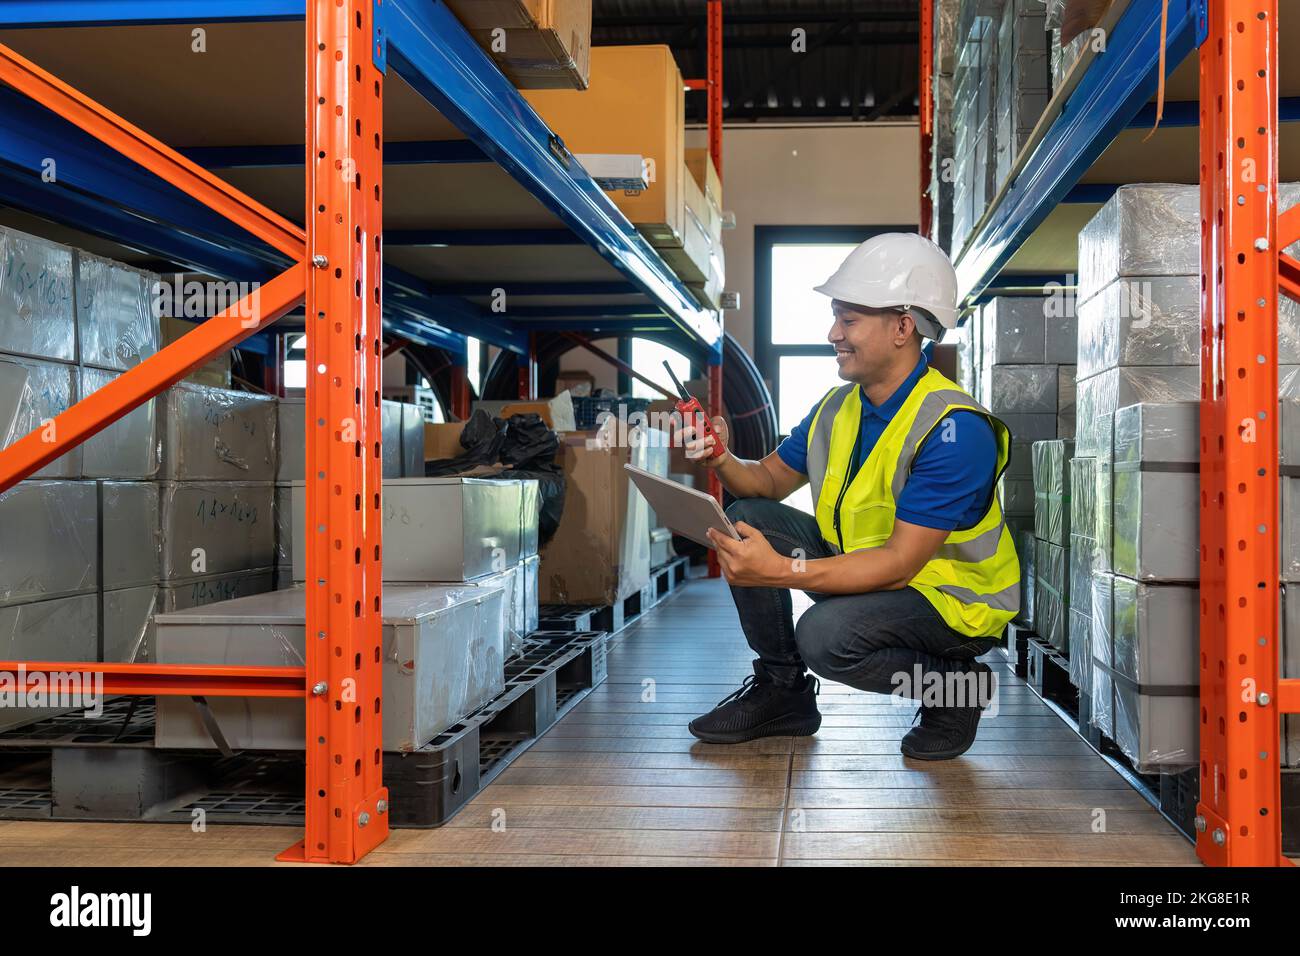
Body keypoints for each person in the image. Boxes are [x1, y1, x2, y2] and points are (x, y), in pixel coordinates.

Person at [683, 233, 1019, 760]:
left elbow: (898, 565)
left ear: (903, 327)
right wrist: (721, 458)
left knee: (825, 638)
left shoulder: (955, 430)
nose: (832, 333)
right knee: (746, 516)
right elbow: (766, 483)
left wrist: (780, 572)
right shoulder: (838, 408)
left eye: (848, 320)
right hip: (876, 575)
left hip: (952, 607)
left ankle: (957, 691)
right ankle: (783, 693)